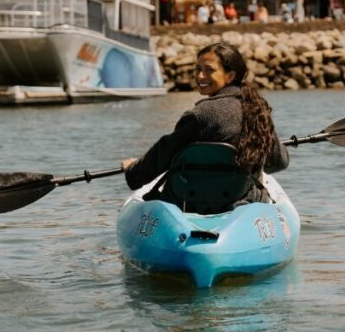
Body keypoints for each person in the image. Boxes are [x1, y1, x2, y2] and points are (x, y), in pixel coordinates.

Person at [121, 42, 290, 208]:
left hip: (189, 202)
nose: (200, 76)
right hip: (241, 201)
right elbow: (279, 161)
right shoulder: (258, 109)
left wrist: (133, 171)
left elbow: (164, 153)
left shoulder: (200, 114)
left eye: (209, 70)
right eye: (198, 69)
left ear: (230, 76)